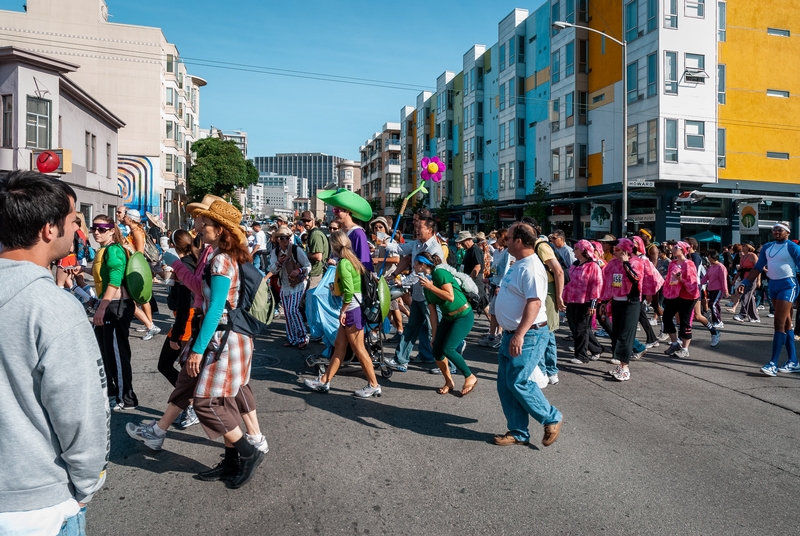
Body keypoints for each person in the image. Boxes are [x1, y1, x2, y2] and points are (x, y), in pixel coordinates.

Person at [128, 200, 265, 488]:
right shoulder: (220, 255)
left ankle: (248, 453)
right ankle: (231, 463)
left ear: (220, 229)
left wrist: (199, 349)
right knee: (222, 400)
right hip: (224, 336)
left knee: (206, 403)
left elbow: (216, 308)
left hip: (224, 338)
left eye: (206, 223)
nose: (200, 228)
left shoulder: (220, 259)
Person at [0, 170, 108, 534]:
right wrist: (86, 484)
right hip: (36, 502)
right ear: (49, 229)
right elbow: (81, 411)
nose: (79, 229)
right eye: (73, 220)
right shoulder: (52, 306)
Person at [492, 222, 563, 447]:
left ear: (519, 241)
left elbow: (534, 302)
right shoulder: (519, 263)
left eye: (509, 237)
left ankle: (551, 417)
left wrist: (519, 334)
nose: (505, 240)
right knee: (506, 384)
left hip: (529, 334)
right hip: (512, 333)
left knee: (518, 381)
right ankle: (518, 432)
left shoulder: (531, 267)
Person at [304, 231, 382, 398]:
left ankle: (374, 384)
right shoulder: (351, 261)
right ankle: (324, 380)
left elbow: (348, 292)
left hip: (352, 311)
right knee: (340, 347)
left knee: (359, 350)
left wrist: (343, 311)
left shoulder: (344, 264)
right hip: (354, 310)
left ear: (333, 246)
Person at [738, 222, 800, 376]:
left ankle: (773, 363)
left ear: (787, 233)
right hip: (773, 285)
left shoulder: (793, 247)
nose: (777, 232)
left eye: (780, 230)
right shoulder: (767, 247)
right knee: (786, 323)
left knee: (778, 323)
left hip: (788, 285)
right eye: (774, 230)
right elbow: (758, 267)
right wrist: (745, 282)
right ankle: (793, 361)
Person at [384, 213, 444, 371]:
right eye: (416, 227)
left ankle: (449, 359)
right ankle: (402, 359)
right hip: (418, 295)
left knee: (435, 329)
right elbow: (402, 250)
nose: (416, 230)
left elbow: (422, 273)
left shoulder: (433, 249)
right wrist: (389, 245)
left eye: (420, 227)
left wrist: (403, 282)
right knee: (412, 327)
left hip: (430, 296)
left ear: (430, 230)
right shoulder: (417, 244)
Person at [415, 252, 478, 396]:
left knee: (448, 349)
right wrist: (434, 335)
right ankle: (449, 382)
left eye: (415, 263)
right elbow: (433, 313)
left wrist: (431, 287)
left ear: (422, 264)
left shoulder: (440, 273)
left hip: (463, 315)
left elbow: (450, 296)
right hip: (448, 318)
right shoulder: (426, 285)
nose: (413, 266)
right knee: (436, 350)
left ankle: (469, 376)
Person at [601, 238, 647, 382]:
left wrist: (625, 262)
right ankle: (620, 366)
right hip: (616, 301)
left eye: (617, 249)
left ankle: (625, 368)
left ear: (626, 250)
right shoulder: (613, 263)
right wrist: (604, 301)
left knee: (625, 335)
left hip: (631, 302)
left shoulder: (636, 262)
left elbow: (635, 278)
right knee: (617, 333)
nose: (614, 252)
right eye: (614, 249)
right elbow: (606, 281)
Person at [267, 225, 311, 348]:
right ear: (277, 240)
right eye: (282, 238)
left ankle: (303, 337)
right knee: (287, 312)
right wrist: (279, 263)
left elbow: (308, 266)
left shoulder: (296, 250)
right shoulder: (275, 252)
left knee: (293, 310)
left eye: (287, 238)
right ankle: (292, 338)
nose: (285, 240)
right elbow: (273, 270)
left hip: (298, 284)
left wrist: (299, 271)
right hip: (284, 285)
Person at [661, 242, 705, 358]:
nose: (673, 249)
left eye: (676, 248)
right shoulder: (673, 263)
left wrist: (681, 280)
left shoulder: (689, 264)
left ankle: (685, 349)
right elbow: (669, 279)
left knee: (685, 321)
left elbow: (692, 284)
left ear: (683, 250)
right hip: (674, 295)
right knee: (666, 317)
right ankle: (675, 343)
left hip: (688, 296)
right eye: (673, 247)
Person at [564, 240, 605, 363]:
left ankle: (581, 355)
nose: (573, 250)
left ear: (584, 250)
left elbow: (596, 285)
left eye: (576, 248)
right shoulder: (575, 264)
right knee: (576, 328)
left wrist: (593, 303)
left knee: (582, 328)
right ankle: (596, 349)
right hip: (572, 300)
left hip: (584, 302)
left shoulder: (593, 266)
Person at [124, 208, 161, 340]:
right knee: (141, 298)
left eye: (125, 216)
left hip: (137, 267)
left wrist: (128, 246)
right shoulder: (135, 230)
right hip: (137, 266)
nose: (123, 218)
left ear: (130, 219)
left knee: (136, 299)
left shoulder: (137, 232)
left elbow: (139, 253)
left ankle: (150, 325)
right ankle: (149, 324)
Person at [480, 229, 513, 348]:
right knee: (493, 311)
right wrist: (489, 279)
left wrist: (500, 285)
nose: (497, 239)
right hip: (494, 284)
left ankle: (499, 335)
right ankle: (492, 335)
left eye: (499, 237)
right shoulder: (498, 252)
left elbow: (507, 271)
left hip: (501, 286)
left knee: (498, 311)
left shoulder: (508, 252)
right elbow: (496, 270)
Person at [301, 210, 329, 291]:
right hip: (316, 272)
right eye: (304, 221)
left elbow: (318, 256)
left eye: (308, 221)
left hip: (317, 273)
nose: (306, 223)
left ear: (313, 220)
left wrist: (304, 254)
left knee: (310, 299)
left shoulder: (315, 234)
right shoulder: (313, 233)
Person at [733, 241, 760, 322]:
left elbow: (758, 268)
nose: (743, 247)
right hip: (744, 279)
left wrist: (758, 280)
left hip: (752, 278)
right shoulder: (743, 257)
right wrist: (734, 279)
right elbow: (740, 270)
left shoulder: (753, 256)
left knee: (746, 296)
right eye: (743, 245)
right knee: (750, 298)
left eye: (745, 245)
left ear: (749, 247)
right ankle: (755, 317)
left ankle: (742, 314)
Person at [701, 250, 728, 329]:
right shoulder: (711, 267)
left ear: (714, 257)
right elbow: (706, 277)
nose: (708, 259)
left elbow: (724, 280)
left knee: (712, 304)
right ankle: (716, 321)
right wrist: (699, 284)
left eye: (710, 257)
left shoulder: (721, 267)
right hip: (711, 289)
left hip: (718, 289)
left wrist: (725, 291)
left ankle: (718, 321)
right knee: (714, 305)